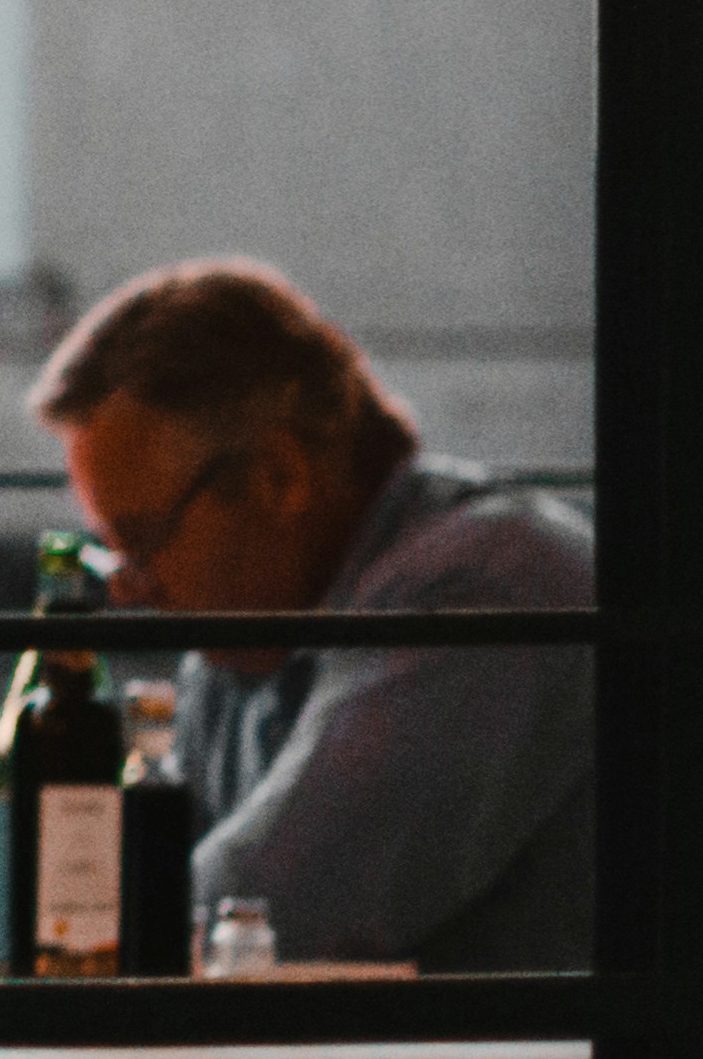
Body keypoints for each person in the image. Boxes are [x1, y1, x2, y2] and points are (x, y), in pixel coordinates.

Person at [30, 259, 595, 971]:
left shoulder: (486, 586)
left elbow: (269, 913)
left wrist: (36, 899)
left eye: (143, 540)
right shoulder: (243, 641)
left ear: (279, 477)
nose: (127, 589)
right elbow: (172, 884)